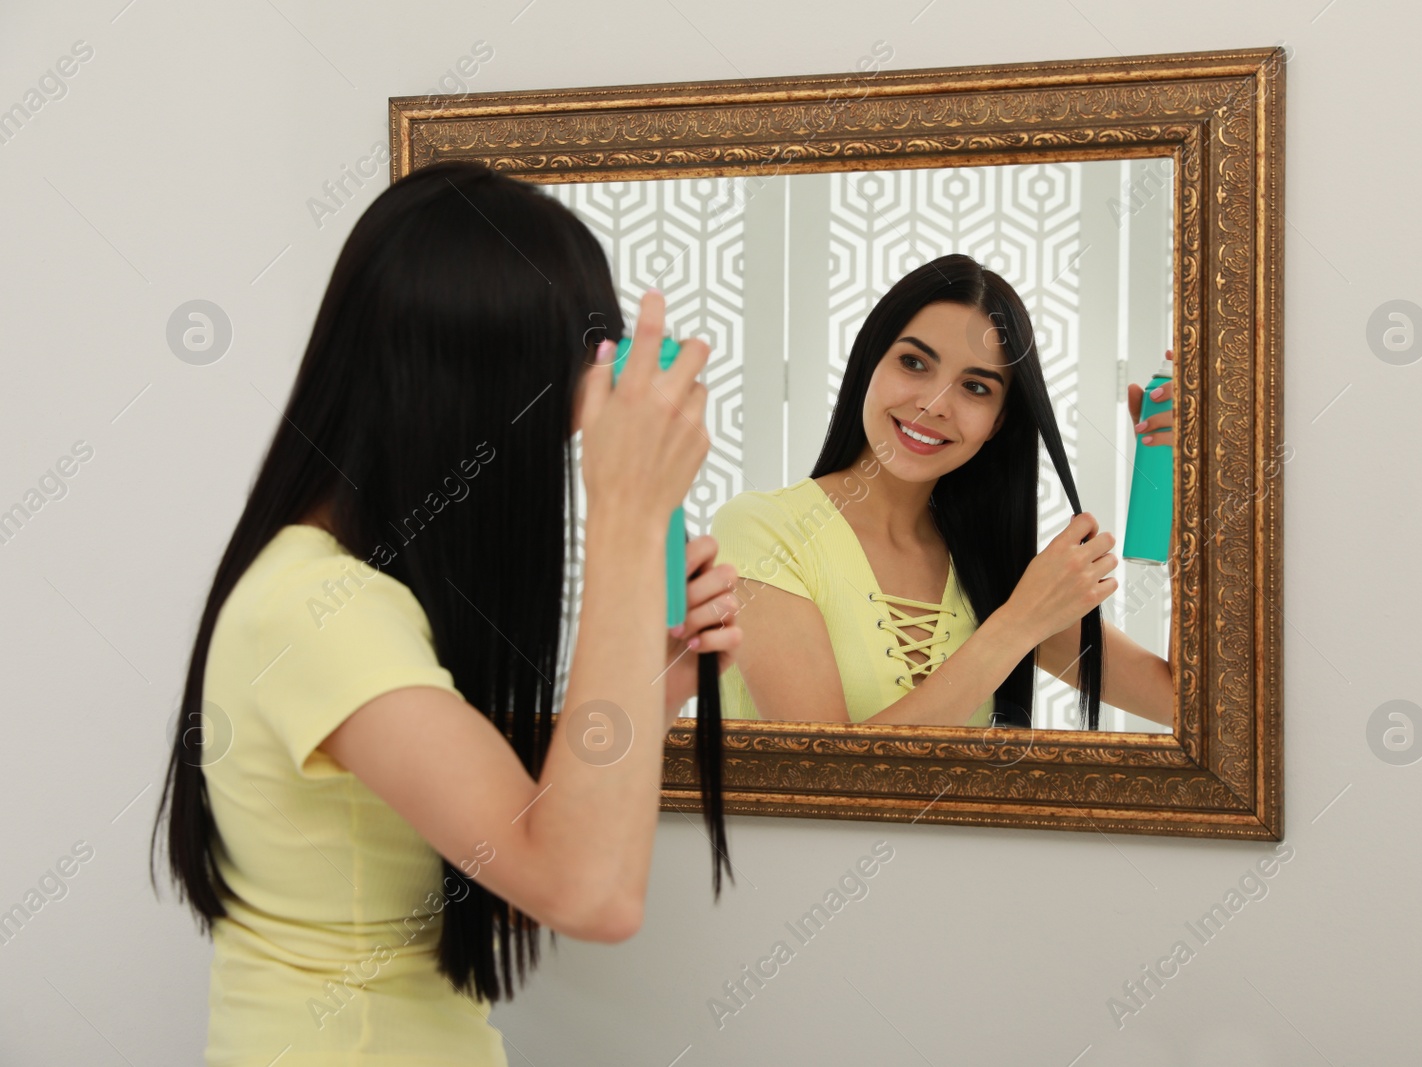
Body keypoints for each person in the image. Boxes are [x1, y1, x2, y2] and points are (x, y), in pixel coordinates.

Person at [148, 159, 743, 1066]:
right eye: (559, 411)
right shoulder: (318, 609)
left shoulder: (339, 589)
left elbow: (510, 854)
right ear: (482, 401)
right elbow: (592, 895)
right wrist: (626, 521)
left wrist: (652, 684)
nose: (572, 443)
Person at [711, 253, 1176, 731]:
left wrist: (1199, 481)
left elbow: (1183, 704)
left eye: (975, 387)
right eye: (914, 363)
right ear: (870, 360)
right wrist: (1019, 624)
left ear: (998, 422)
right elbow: (824, 771)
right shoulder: (760, 529)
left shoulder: (996, 571)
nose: (933, 405)